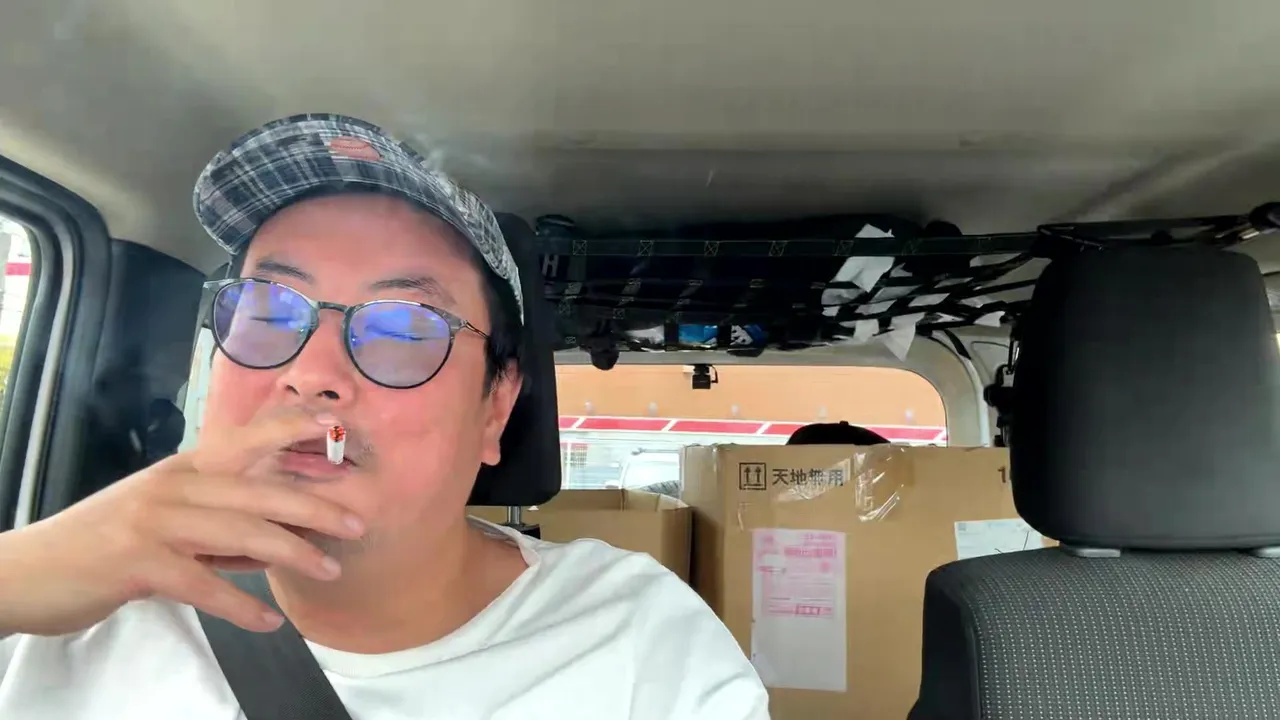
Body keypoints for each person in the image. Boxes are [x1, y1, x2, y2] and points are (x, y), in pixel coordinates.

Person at [0, 114, 769, 719]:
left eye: (403, 329)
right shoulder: (65, 606)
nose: (312, 374)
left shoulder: (636, 642)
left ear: (495, 408)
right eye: (269, 310)